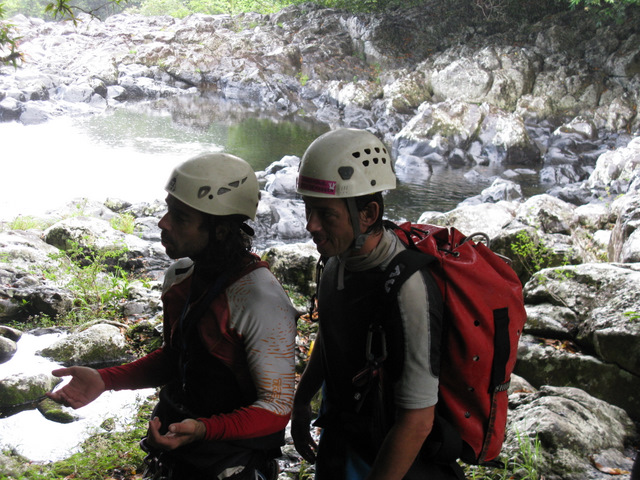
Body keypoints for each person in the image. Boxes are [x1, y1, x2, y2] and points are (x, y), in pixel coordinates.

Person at [47, 153, 298, 480]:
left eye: (180, 217)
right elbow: (175, 359)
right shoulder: (181, 277)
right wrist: (106, 379)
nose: (163, 223)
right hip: (178, 448)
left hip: (232, 464)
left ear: (220, 230)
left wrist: (203, 430)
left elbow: (276, 409)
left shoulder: (261, 301)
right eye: (168, 209)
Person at [291, 128, 465, 480]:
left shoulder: (408, 289)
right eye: (308, 209)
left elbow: (417, 420)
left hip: (389, 457)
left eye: (326, 214)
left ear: (368, 214)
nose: (311, 225)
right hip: (343, 437)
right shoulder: (337, 262)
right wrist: (301, 402)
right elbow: (331, 336)